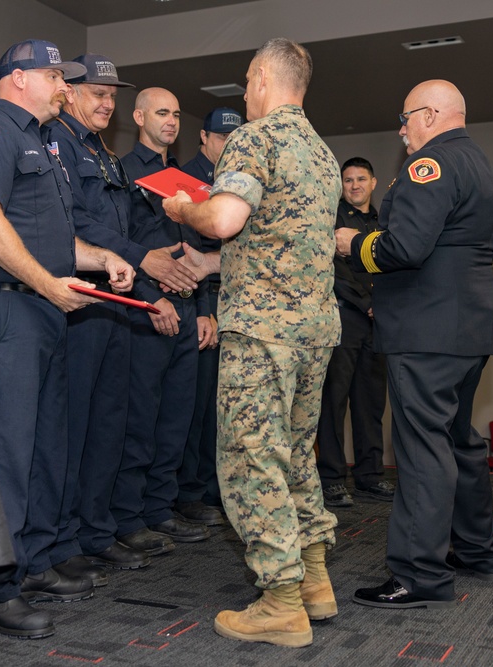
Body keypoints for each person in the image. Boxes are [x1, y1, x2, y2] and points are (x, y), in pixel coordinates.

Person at [0, 39, 136, 639]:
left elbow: (56, 241)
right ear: (18, 79)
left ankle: (30, 563)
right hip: (10, 311)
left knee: (44, 450)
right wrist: (46, 284)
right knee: (8, 452)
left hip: (46, 310)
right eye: (55, 76)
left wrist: (102, 258)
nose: (64, 87)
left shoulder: (44, 144)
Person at [162, 38, 341, 648]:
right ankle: (315, 582)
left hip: (262, 334)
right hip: (314, 331)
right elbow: (282, 241)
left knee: (249, 457)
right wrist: (215, 269)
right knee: (294, 454)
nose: (244, 93)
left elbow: (227, 220)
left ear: (264, 77)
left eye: (246, 81)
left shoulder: (254, 138)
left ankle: (281, 601)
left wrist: (186, 208)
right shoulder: (321, 153)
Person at [335, 80, 493, 610]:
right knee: (457, 439)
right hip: (469, 327)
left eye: (407, 117)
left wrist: (352, 244)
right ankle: (478, 550)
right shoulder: (482, 165)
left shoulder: (426, 166)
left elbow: (404, 248)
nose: (402, 128)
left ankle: (419, 575)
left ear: (431, 115)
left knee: (421, 448)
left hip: (426, 330)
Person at [45, 54, 169, 583]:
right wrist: (141, 260)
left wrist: (148, 279)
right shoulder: (57, 146)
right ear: (68, 92)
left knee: (109, 423)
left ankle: (96, 530)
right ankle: (64, 537)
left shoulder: (103, 152)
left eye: (112, 95)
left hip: (115, 300)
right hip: (79, 302)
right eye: (97, 92)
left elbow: (125, 226)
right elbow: (80, 221)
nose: (107, 102)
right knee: (73, 426)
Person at [112, 88, 216, 551]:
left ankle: (161, 508)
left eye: (176, 114)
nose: (171, 121)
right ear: (138, 117)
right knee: (142, 418)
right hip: (149, 313)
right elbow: (121, 246)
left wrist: (206, 311)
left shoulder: (183, 180)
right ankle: (131, 517)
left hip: (190, 308)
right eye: (161, 112)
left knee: (178, 418)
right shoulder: (123, 172)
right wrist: (152, 297)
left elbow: (199, 252)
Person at [175, 107, 243, 524]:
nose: (227, 145)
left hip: (233, 297)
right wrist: (204, 308)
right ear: (204, 138)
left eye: (234, 139)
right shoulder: (184, 180)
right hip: (203, 296)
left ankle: (217, 489)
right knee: (196, 405)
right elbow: (188, 251)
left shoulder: (239, 181)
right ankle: (192, 492)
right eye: (220, 137)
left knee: (225, 404)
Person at [316, 157, 392, 508]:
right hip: (345, 318)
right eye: (348, 180)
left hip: (379, 322)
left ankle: (370, 476)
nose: (355, 185)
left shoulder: (384, 222)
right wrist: (367, 303)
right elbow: (334, 272)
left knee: (371, 401)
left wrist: (383, 304)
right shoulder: (332, 220)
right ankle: (331, 478)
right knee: (334, 401)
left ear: (374, 183)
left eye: (362, 179)